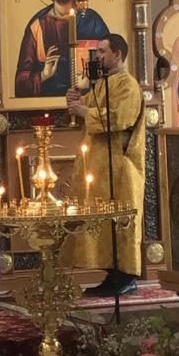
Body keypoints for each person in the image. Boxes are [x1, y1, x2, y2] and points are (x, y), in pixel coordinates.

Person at [66, 34, 145, 296]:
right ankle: (112, 275)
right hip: (100, 167)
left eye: (102, 51)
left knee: (119, 221)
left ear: (117, 54)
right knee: (102, 222)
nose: (97, 56)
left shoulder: (128, 85)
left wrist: (84, 112)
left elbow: (120, 118)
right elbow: (86, 110)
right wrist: (75, 103)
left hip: (120, 167)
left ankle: (125, 277)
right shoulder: (102, 85)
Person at [15, 0, 109, 97]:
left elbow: (109, 65)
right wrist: (44, 75)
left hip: (88, 103)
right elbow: (21, 82)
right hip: (46, 104)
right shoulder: (38, 26)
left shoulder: (92, 21)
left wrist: (92, 77)